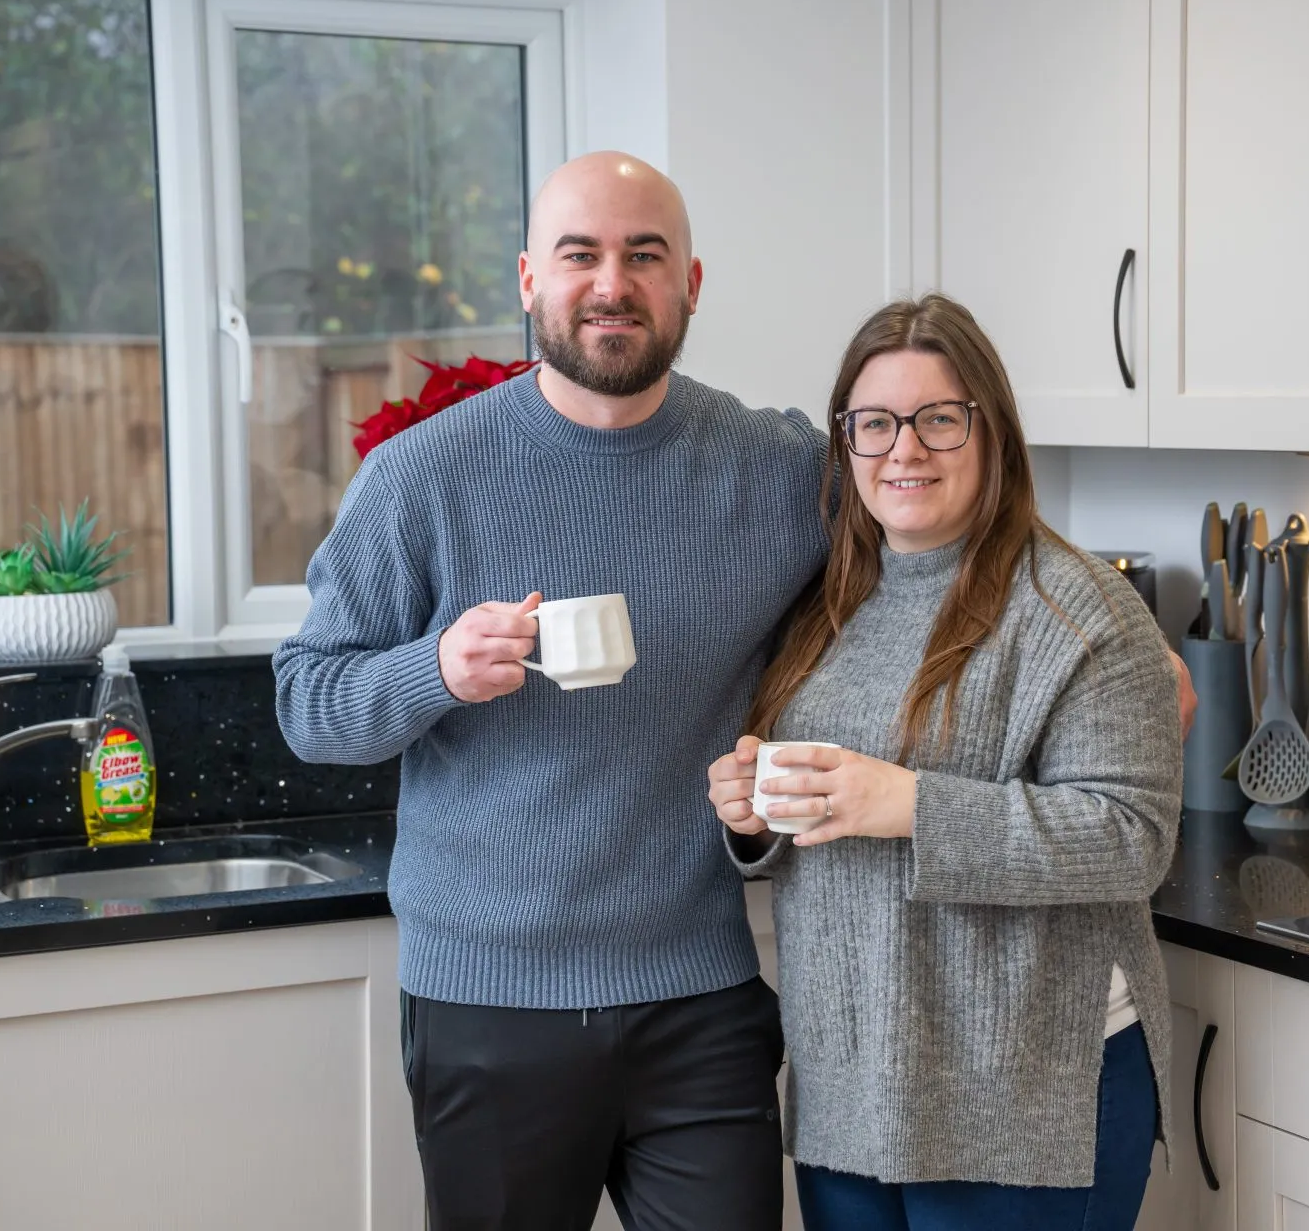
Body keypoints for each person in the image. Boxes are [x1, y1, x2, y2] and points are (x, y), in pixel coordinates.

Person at [275, 152, 1197, 1231]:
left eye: (644, 255)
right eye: (581, 255)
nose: (611, 282)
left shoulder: (775, 467)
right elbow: (306, 701)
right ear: (531, 278)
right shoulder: (422, 476)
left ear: (691, 284)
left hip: (700, 999)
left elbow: (935, 502)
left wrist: (1115, 631)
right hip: (492, 996)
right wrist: (430, 668)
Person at [708, 293, 1183, 1231]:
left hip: (1023, 1098)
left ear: (992, 432)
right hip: (853, 1088)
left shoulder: (1081, 609)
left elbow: (1133, 840)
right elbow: (828, 810)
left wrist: (913, 805)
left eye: (939, 419)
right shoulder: (830, 603)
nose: (905, 450)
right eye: (875, 423)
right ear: (846, 441)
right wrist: (754, 818)